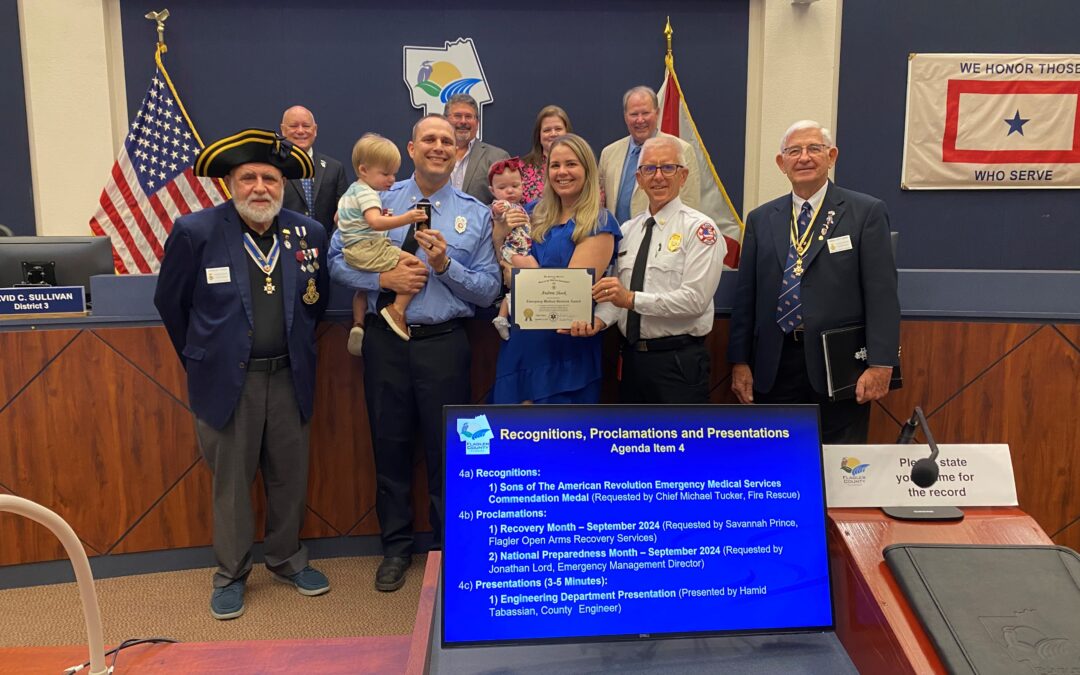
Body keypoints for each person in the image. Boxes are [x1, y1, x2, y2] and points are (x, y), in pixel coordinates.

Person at [154, 129, 331, 620]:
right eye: (248, 177)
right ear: (229, 182)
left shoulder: (307, 234)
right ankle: (231, 573)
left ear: (283, 184)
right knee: (231, 483)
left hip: (289, 376)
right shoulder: (197, 231)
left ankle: (287, 559)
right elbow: (171, 303)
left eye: (270, 178)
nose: (260, 187)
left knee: (289, 477)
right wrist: (201, 356)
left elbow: (317, 304)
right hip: (229, 381)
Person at [328, 114, 501, 592]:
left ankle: (447, 551)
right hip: (386, 340)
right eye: (430, 139)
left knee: (449, 452)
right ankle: (396, 548)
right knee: (391, 445)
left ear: (457, 150)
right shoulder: (375, 201)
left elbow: (488, 290)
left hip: (444, 344)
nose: (439, 147)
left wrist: (445, 266)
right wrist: (382, 280)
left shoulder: (477, 213)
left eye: (448, 140)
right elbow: (336, 260)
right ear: (411, 147)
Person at [727, 120, 900, 444]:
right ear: (782, 163)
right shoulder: (761, 219)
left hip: (839, 366)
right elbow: (746, 297)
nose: (803, 157)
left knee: (839, 472)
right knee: (777, 468)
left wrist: (881, 363)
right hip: (773, 366)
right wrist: (740, 361)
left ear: (831, 156)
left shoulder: (865, 212)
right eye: (794, 151)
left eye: (814, 149)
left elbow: (882, 296)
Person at [583, 136, 725, 403]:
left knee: (681, 443)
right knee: (633, 443)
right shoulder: (627, 230)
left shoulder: (700, 230)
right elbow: (618, 296)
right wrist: (598, 321)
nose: (658, 176)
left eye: (667, 167)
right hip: (633, 360)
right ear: (639, 178)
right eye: (649, 168)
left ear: (683, 176)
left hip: (678, 362)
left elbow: (694, 301)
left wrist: (632, 299)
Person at [491, 133, 621, 404]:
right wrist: (500, 235)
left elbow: (570, 296)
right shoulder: (533, 211)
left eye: (571, 164)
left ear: (588, 169)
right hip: (520, 346)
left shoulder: (599, 222)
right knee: (512, 441)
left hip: (563, 353)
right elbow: (502, 261)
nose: (562, 172)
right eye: (555, 165)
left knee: (557, 440)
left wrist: (527, 271)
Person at [338, 133, 429, 354]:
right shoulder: (368, 194)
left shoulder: (351, 192)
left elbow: (340, 218)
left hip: (353, 251)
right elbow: (376, 223)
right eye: (386, 174)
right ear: (363, 170)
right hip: (368, 248)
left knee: (361, 289)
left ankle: (358, 324)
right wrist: (407, 218)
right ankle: (397, 310)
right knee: (417, 266)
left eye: (394, 174)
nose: (391, 179)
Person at [599, 86, 700, 223]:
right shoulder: (608, 153)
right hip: (616, 241)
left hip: (662, 239)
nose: (640, 120)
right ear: (625, 117)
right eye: (634, 114)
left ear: (657, 113)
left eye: (645, 113)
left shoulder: (681, 149)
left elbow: (690, 204)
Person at [488, 157, 538, 340]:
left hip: (522, 249)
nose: (509, 191)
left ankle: (502, 316)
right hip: (511, 251)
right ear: (492, 191)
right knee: (533, 272)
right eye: (502, 188)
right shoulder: (503, 206)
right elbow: (497, 213)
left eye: (515, 185)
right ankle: (502, 315)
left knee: (520, 285)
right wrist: (499, 211)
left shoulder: (524, 207)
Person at [280, 105, 349, 234]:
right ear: (283, 130)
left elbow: (344, 213)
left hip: (326, 248)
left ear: (315, 130)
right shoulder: (275, 168)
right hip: (286, 246)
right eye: (294, 126)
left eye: (306, 126)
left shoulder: (334, 168)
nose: (300, 131)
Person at [445, 94, 509, 204]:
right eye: (457, 116)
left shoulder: (498, 157)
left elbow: (507, 203)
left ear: (477, 123)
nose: (463, 121)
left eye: (469, 116)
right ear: (445, 120)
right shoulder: (434, 155)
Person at [520, 105, 573, 203]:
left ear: (567, 132)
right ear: (539, 135)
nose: (553, 134)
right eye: (547, 130)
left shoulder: (581, 163)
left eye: (558, 129)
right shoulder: (522, 168)